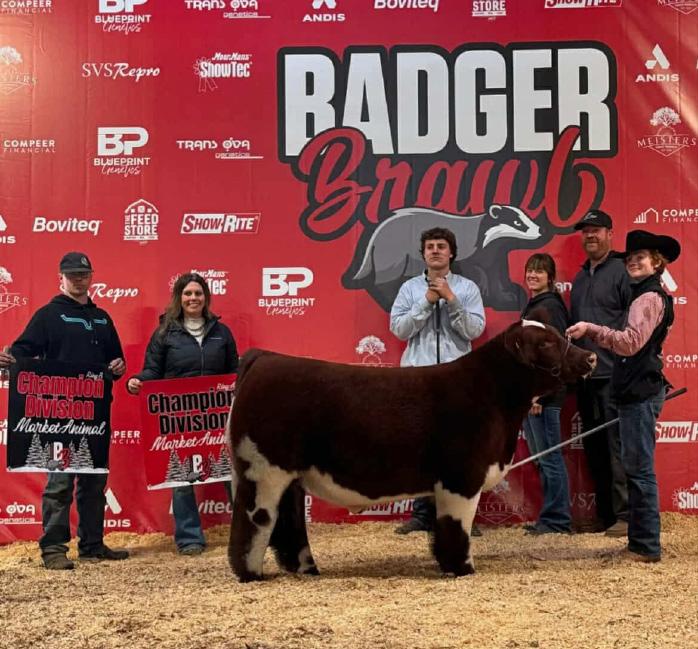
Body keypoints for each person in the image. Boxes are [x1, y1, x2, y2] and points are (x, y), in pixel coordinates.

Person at [0, 252, 129, 570]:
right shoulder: (48, 315)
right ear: (61, 278)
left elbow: (116, 361)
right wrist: (8, 358)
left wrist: (118, 366)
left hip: (95, 414)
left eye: (83, 274)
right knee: (59, 483)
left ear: (91, 276)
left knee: (94, 482)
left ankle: (92, 545)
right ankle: (53, 549)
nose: (78, 279)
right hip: (57, 415)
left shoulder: (103, 318)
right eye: (72, 275)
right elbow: (23, 351)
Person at [567, 229, 679, 562]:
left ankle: (646, 546)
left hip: (640, 391)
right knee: (635, 468)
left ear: (656, 263)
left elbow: (630, 343)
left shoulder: (647, 297)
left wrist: (592, 329)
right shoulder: (646, 293)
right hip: (637, 388)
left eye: (640, 258)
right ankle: (639, 542)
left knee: (640, 471)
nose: (632, 262)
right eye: (629, 258)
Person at [126, 273, 238, 555]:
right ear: (179, 297)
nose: (193, 298)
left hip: (217, 416)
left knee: (232, 472)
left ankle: (245, 533)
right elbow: (153, 370)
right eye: (188, 293)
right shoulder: (164, 333)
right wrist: (137, 381)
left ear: (206, 298)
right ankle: (189, 538)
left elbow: (233, 372)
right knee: (181, 478)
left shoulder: (222, 332)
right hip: (179, 418)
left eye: (198, 293)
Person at [390, 227, 486, 535]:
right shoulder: (409, 289)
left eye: (441, 246)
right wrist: (427, 301)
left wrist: (452, 300)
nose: (435, 250)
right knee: (420, 448)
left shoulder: (467, 288)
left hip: (457, 381)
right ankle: (422, 515)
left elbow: (474, 330)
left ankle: (461, 515)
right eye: (430, 246)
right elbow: (399, 330)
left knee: (461, 449)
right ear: (423, 254)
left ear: (451, 253)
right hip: (417, 381)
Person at [570, 210, 631, 536]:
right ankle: (606, 516)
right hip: (586, 377)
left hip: (614, 375)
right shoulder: (580, 278)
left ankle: (626, 516)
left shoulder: (622, 271)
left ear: (610, 233)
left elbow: (634, 325)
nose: (590, 235)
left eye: (596, 230)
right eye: (585, 231)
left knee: (617, 449)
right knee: (595, 449)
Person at [520, 253, 572, 535]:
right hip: (532, 395)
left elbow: (555, 353)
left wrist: (540, 394)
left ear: (550, 278)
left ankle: (558, 521)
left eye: (539, 271)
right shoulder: (534, 305)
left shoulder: (550, 306)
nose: (533, 275)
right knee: (543, 458)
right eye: (530, 270)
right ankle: (550, 518)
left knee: (550, 458)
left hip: (544, 397)